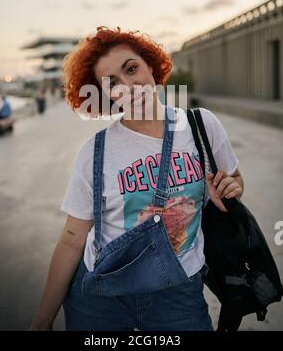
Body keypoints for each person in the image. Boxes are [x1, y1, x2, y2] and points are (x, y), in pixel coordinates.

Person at [30, 26, 244, 331]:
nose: (128, 86)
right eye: (112, 83)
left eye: (132, 69)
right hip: (103, 298)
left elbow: (234, 179)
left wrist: (230, 189)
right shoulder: (95, 152)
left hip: (178, 294)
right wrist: (42, 320)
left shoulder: (201, 125)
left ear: (151, 66)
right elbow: (72, 239)